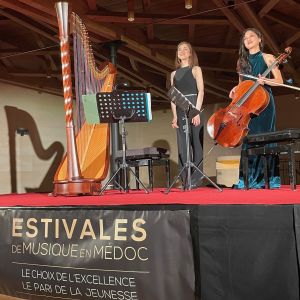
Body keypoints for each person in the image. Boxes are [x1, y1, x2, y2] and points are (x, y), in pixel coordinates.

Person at [229, 28, 283, 189]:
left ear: (260, 39)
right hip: (246, 105)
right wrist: (235, 90)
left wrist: (265, 81)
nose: (248, 39)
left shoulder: (268, 57)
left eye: (252, 36)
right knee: (247, 137)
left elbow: (279, 81)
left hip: (264, 102)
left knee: (265, 137)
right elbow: (241, 84)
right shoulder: (241, 62)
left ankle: (269, 178)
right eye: (245, 38)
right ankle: (248, 177)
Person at [170, 41, 204, 188]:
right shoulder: (173, 74)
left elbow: (201, 91)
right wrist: (175, 116)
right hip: (180, 108)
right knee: (182, 146)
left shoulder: (196, 69)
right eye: (179, 49)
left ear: (190, 53)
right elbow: (173, 96)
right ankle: (185, 179)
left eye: (185, 49)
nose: (182, 51)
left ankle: (196, 179)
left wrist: (196, 112)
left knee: (196, 143)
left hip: (193, 106)